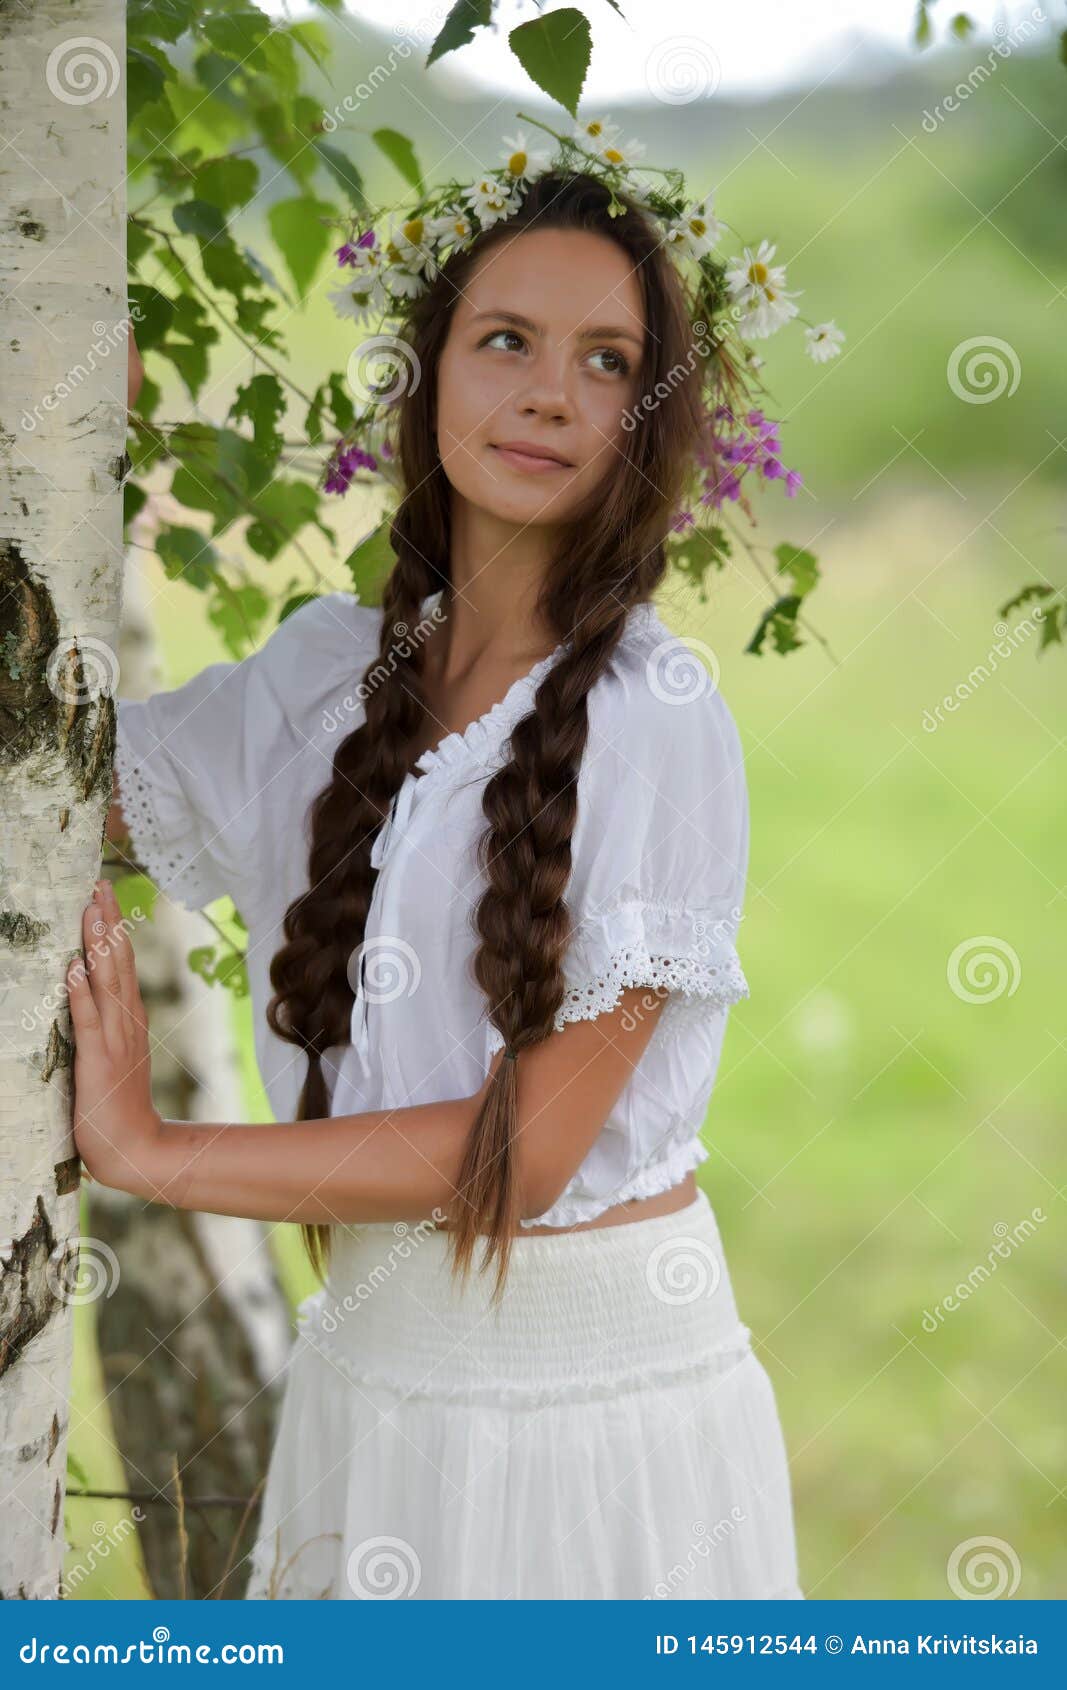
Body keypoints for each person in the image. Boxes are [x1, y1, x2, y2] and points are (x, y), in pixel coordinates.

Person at [73, 157, 804, 1601]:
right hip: (369, 1389)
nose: (549, 394)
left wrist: (156, 1153)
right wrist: (87, 422)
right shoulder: (320, 675)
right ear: (429, 373)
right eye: (506, 341)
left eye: (608, 364)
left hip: (594, 1419)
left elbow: (522, 1154)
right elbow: (62, 787)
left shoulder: (658, 716)